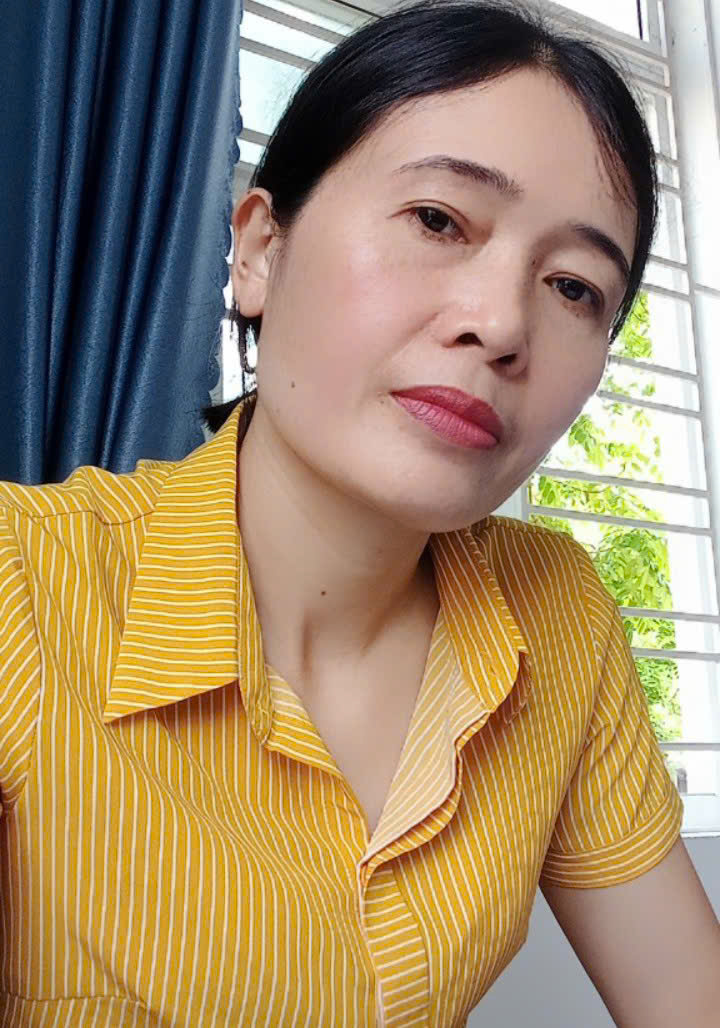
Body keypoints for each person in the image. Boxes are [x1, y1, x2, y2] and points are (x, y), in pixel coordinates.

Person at [0, 0, 718, 1024]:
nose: (500, 323)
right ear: (259, 250)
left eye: (572, 287)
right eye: (437, 221)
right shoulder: (22, 587)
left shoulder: (558, 616)